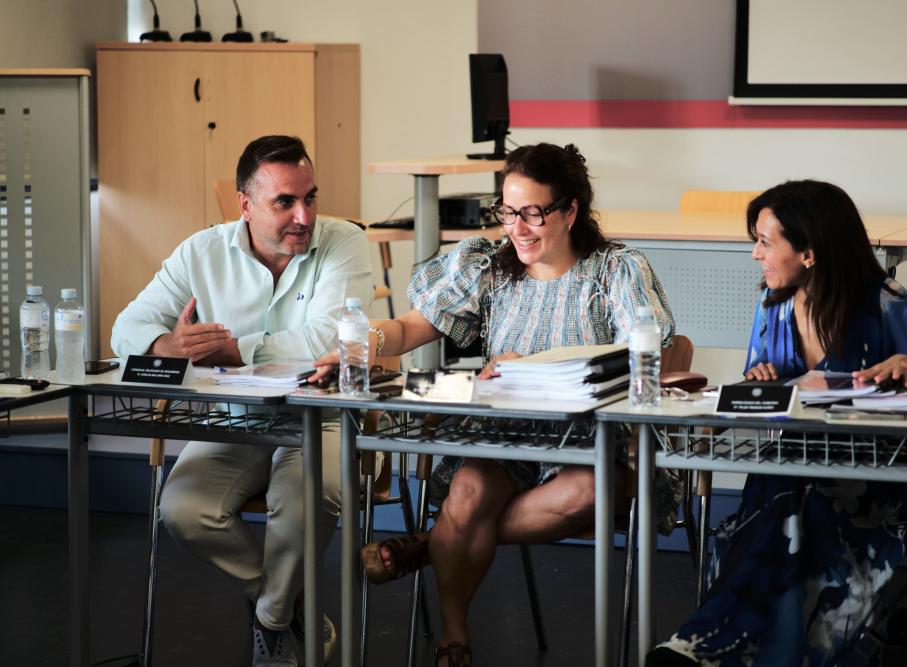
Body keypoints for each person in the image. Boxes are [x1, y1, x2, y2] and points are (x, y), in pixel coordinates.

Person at [312, 142, 680, 667]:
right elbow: (409, 328)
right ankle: (453, 642)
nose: (518, 227)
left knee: (585, 491)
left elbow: (655, 353)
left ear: (570, 210)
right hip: (508, 434)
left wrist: (547, 368)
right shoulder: (488, 267)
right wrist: (359, 343)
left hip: (596, 444)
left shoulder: (613, 271)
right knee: (466, 489)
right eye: (508, 212)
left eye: (534, 213)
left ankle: (435, 542)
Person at [647, 180, 907, 666]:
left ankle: (706, 647)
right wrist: (761, 380)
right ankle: (723, 648)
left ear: (809, 252)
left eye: (765, 242)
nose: (755, 255)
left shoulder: (884, 300)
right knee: (782, 504)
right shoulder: (772, 308)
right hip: (794, 462)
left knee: (792, 513)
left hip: (879, 475)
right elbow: (759, 393)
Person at [111, 135, 374, 666]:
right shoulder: (201, 251)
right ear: (245, 205)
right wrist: (168, 346)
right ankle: (290, 607)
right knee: (184, 510)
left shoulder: (343, 241)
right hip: (236, 422)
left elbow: (331, 338)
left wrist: (232, 352)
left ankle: (271, 624)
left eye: (311, 197)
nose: (304, 215)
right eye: (285, 202)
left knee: (305, 500)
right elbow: (126, 327)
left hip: (319, 418)